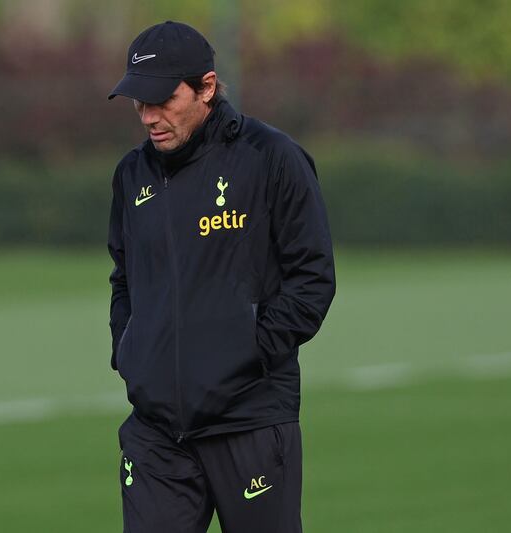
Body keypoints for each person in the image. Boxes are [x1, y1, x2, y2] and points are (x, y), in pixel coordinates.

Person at [106, 21, 335, 533]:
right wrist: (130, 351)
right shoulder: (131, 175)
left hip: (249, 420)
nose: (148, 116)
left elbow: (313, 278)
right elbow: (125, 278)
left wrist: (246, 353)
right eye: (138, 102)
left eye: (162, 100)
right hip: (156, 431)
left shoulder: (271, 158)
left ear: (206, 87)